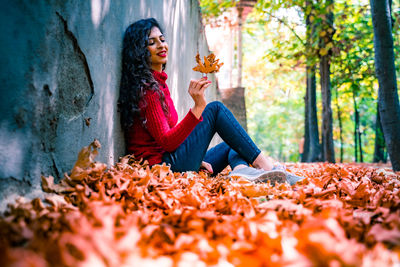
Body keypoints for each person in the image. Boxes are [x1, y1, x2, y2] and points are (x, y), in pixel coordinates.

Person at [118, 18, 303, 185]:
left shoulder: (157, 84)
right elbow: (167, 142)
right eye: (152, 42)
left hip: (171, 162)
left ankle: (240, 171)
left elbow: (169, 141)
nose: (161, 45)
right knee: (214, 109)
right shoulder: (148, 90)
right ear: (139, 51)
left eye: (162, 39)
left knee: (233, 142)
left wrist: (196, 159)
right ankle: (269, 168)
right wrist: (198, 108)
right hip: (162, 169)